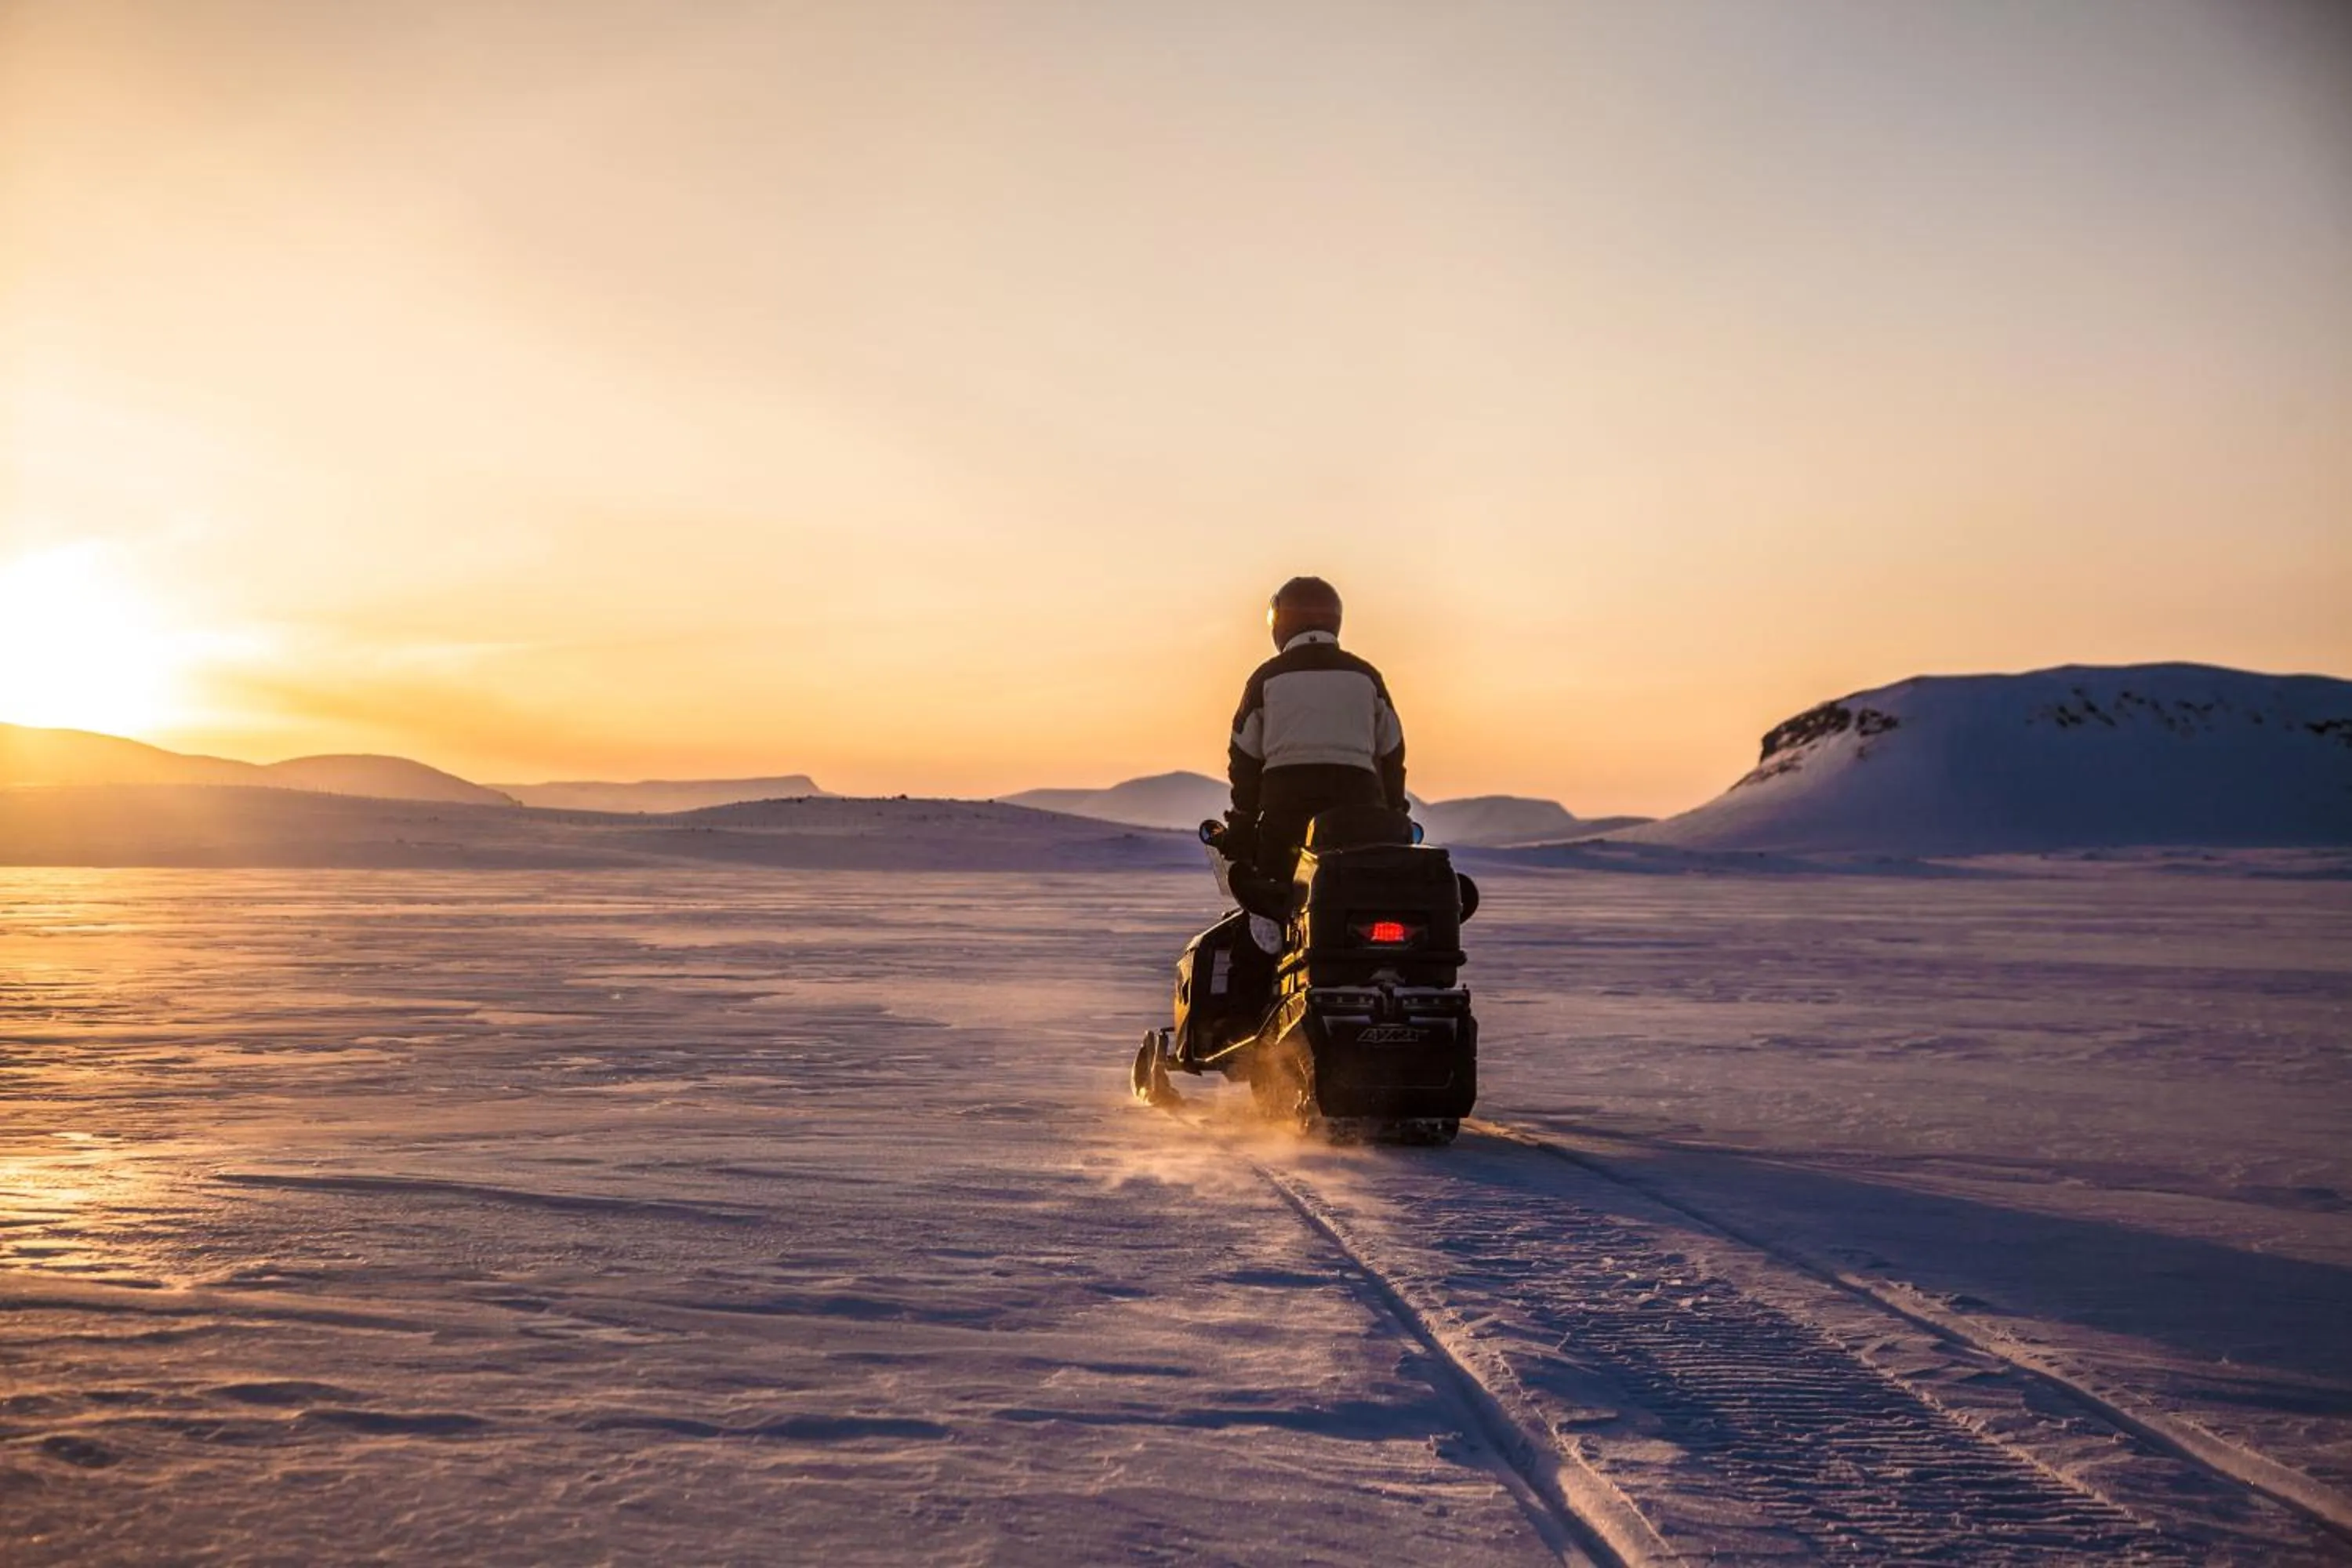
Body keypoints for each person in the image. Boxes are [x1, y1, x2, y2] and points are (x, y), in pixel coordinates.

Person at [1225, 575, 1407, 884]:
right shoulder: (1365, 676)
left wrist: (1244, 816)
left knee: (1275, 890)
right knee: (1363, 884)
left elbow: (1244, 755)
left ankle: (1271, 928)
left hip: (1285, 803)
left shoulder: (1265, 678)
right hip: (1358, 799)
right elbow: (1391, 751)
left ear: (1280, 622)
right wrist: (1395, 809)